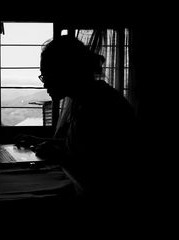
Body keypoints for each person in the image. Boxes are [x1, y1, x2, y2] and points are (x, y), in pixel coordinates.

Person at [15, 35, 139, 206]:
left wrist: (58, 155)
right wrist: (41, 141)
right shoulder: (86, 99)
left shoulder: (101, 106)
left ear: (65, 72)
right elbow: (80, 146)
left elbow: (99, 169)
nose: (45, 84)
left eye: (46, 76)